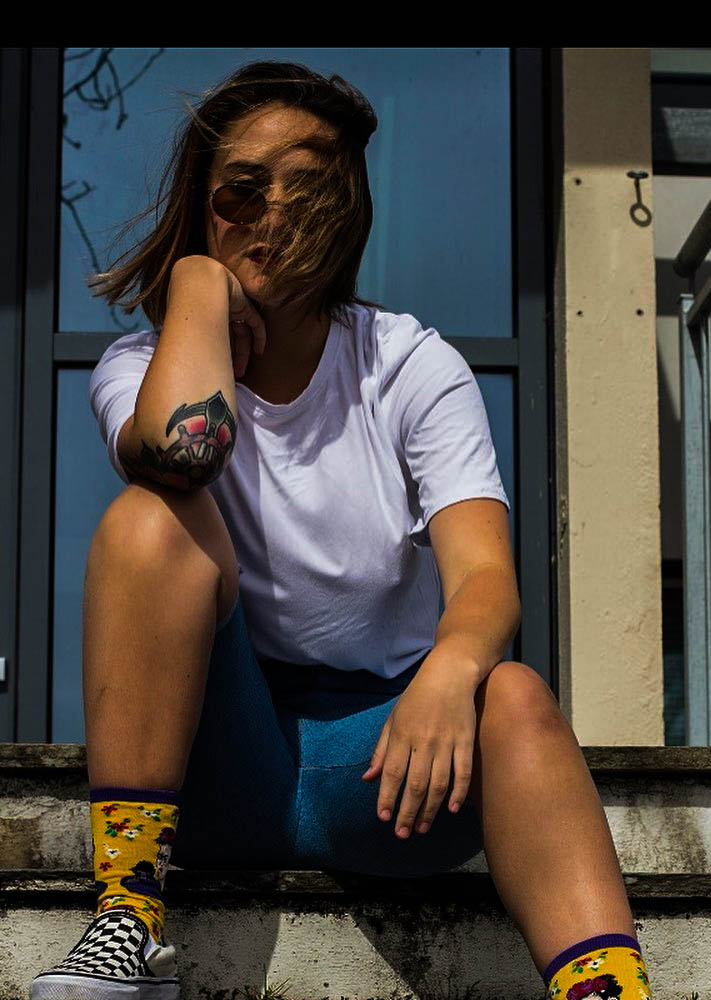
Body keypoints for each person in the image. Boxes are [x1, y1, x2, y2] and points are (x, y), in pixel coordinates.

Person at [29, 61, 653, 1000]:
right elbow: (185, 452)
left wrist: (449, 673)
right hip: (211, 762)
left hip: (389, 769)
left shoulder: (408, 365)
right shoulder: (140, 366)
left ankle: (610, 994)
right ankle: (126, 916)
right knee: (152, 514)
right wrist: (196, 286)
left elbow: (486, 579)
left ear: (348, 211)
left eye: (307, 188)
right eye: (241, 190)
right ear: (204, 208)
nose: (272, 215)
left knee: (516, 694)